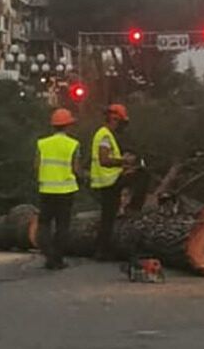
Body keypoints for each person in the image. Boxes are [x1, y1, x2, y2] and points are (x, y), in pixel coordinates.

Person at [35, 108, 82, 270]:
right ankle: (58, 259)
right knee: (62, 225)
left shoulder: (42, 143)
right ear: (68, 126)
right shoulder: (73, 145)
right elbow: (76, 169)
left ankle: (47, 255)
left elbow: (36, 165)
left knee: (44, 224)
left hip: (46, 189)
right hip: (66, 190)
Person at [89, 104, 137, 260]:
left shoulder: (106, 135)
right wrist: (124, 161)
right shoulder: (104, 136)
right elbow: (104, 160)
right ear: (114, 119)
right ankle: (133, 208)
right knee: (142, 175)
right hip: (108, 181)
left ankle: (102, 249)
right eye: (121, 122)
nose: (122, 127)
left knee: (108, 217)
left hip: (109, 179)